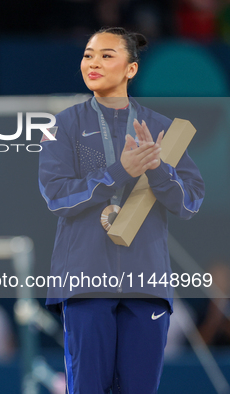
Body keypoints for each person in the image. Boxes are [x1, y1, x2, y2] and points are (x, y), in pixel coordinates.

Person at [38, 27, 205, 393]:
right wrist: (120, 172)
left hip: (145, 283)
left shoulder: (161, 129)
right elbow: (57, 196)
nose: (93, 62)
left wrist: (158, 169)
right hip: (85, 282)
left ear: (131, 69)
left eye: (106, 55)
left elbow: (190, 201)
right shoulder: (60, 126)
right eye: (87, 54)